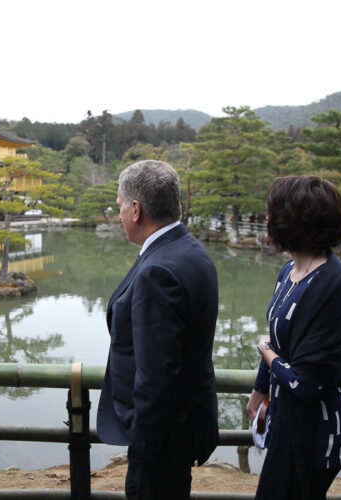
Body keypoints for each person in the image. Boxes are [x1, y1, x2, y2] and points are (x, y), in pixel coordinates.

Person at [96, 159, 219, 499]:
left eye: (120, 205)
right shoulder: (192, 251)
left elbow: (157, 372)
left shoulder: (158, 270)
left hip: (162, 437)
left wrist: (144, 443)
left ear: (136, 209)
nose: (119, 213)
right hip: (184, 424)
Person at [246, 175, 341, 500]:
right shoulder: (290, 270)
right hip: (286, 422)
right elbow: (278, 338)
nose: (266, 219)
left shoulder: (331, 282)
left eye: (271, 212)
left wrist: (266, 353)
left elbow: (308, 384)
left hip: (314, 433)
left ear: (291, 221)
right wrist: (260, 388)